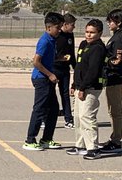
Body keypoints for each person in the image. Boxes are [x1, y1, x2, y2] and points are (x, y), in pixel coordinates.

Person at [66, 18, 107, 160]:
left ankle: (93, 148)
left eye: (92, 33)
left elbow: (92, 71)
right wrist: (74, 85)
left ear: (100, 33)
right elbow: (79, 68)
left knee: (87, 117)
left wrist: (83, 87)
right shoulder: (83, 44)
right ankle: (80, 145)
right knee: (77, 117)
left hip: (90, 88)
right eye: (87, 32)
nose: (88, 35)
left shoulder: (98, 48)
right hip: (79, 86)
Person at [22, 11, 63, 150]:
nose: (60, 30)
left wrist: (60, 59)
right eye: (58, 27)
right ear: (49, 27)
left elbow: (46, 59)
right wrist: (50, 74)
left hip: (47, 79)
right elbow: (36, 62)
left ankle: (46, 139)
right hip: (41, 79)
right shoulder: (44, 41)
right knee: (39, 109)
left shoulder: (52, 40)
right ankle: (30, 140)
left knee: (53, 109)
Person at [100, 8, 122, 151]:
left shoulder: (119, 38)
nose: (108, 23)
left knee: (115, 111)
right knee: (112, 110)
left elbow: (118, 60)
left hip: (115, 77)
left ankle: (116, 140)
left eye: (111, 21)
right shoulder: (116, 36)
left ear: (119, 22)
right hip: (111, 77)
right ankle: (115, 137)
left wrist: (104, 61)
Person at [54, 12, 76, 127]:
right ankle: (44, 118)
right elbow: (51, 53)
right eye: (72, 25)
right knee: (50, 95)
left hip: (65, 70)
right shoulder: (57, 34)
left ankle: (68, 119)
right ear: (65, 24)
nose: (74, 27)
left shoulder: (70, 36)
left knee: (65, 94)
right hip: (53, 69)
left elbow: (71, 52)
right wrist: (59, 58)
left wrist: (75, 67)